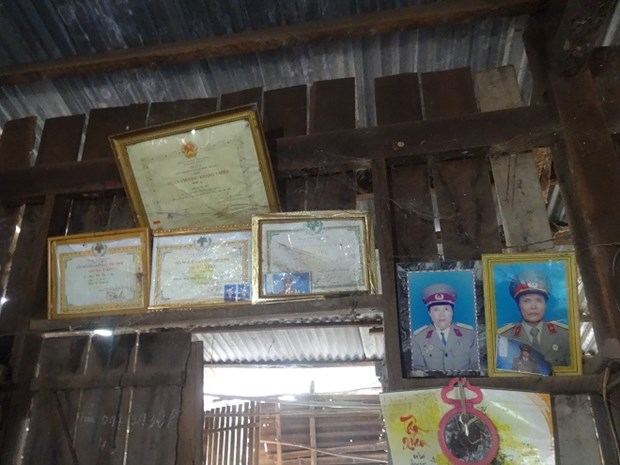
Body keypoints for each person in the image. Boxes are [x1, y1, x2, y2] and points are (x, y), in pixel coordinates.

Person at [497, 270, 569, 366]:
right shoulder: (504, 336)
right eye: (526, 301)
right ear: (518, 305)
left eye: (539, 300)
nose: (533, 306)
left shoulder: (564, 334)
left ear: (545, 304)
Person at [411, 283, 479, 372]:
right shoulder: (418, 338)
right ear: (429, 313)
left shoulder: (469, 334)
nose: (442, 314)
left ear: (452, 311)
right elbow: (418, 371)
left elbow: (476, 368)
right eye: (436, 310)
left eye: (446, 309)